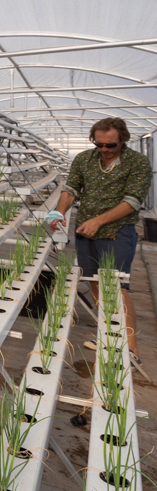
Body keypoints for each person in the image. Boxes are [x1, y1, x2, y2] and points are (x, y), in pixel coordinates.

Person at [46, 117, 151, 365]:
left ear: (122, 141)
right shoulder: (85, 159)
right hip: (86, 232)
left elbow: (133, 201)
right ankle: (107, 336)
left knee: (116, 288)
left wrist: (99, 221)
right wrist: (58, 212)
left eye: (110, 146)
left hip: (117, 232)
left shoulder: (138, 163)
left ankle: (130, 349)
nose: (104, 150)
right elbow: (71, 189)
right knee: (94, 283)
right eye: (99, 144)